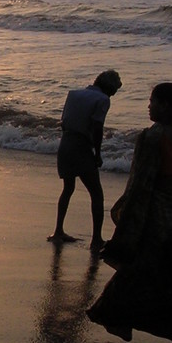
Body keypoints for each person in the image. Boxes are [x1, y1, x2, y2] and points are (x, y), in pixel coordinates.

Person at [87, 82, 172, 343]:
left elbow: (141, 184)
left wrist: (124, 219)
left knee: (132, 272)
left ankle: (120, 323)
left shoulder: (151, 138)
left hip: (157, 221)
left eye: (153, 102)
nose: (149, 106)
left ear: (166, 106)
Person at [48, 69, 122, 251]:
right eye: (115, 89)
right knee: (96, 193)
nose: (115, 93)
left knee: (68, 188)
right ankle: (96, 239)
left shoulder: (74, 94)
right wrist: (97, 153)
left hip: (65, 143)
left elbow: (64, 121)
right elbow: (97, 128)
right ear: (109, 87)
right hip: (81, 145)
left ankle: (58, 230)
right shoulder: (103, 100)